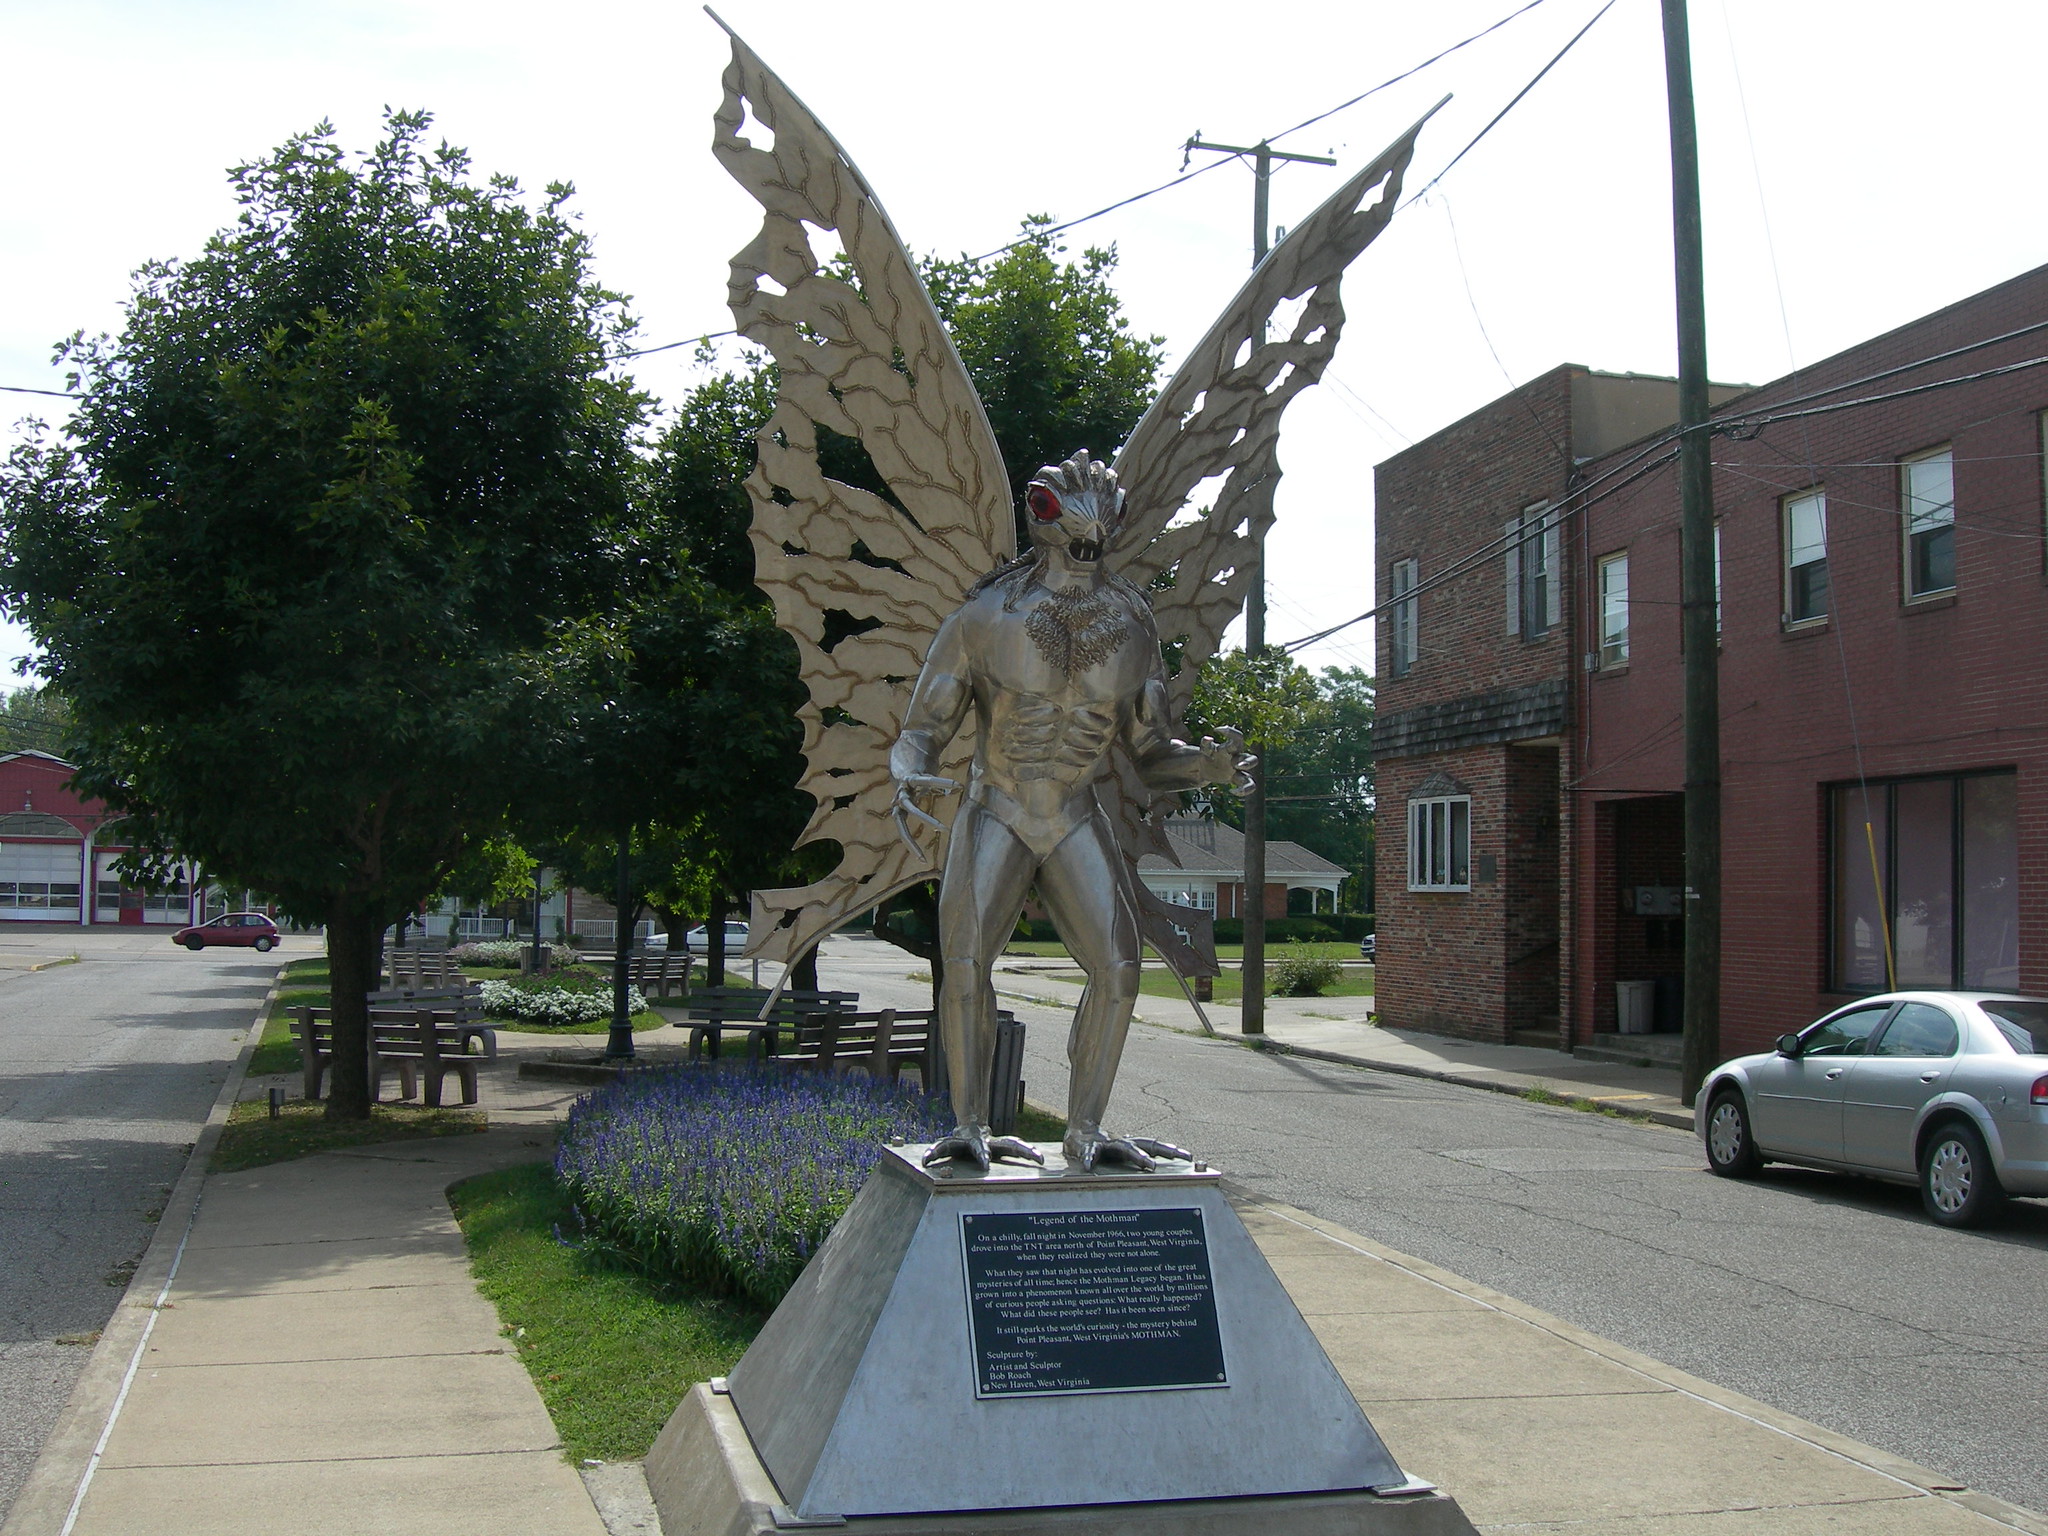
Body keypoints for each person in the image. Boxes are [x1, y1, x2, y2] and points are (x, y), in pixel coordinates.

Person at [891, 451, 1254, 1171]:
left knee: (1119, 968)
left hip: (1073, 812)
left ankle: (1085, 1129)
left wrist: (1202, 765)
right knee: (964, 963)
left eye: (1100, 537)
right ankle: (968, 1125)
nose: (1087, 552)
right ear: (1045, 523)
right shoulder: (982, 616)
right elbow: (920, 728)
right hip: (994, 804)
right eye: (1074, 533)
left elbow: (1150, 752)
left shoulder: (1133, 624)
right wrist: (909, 774)